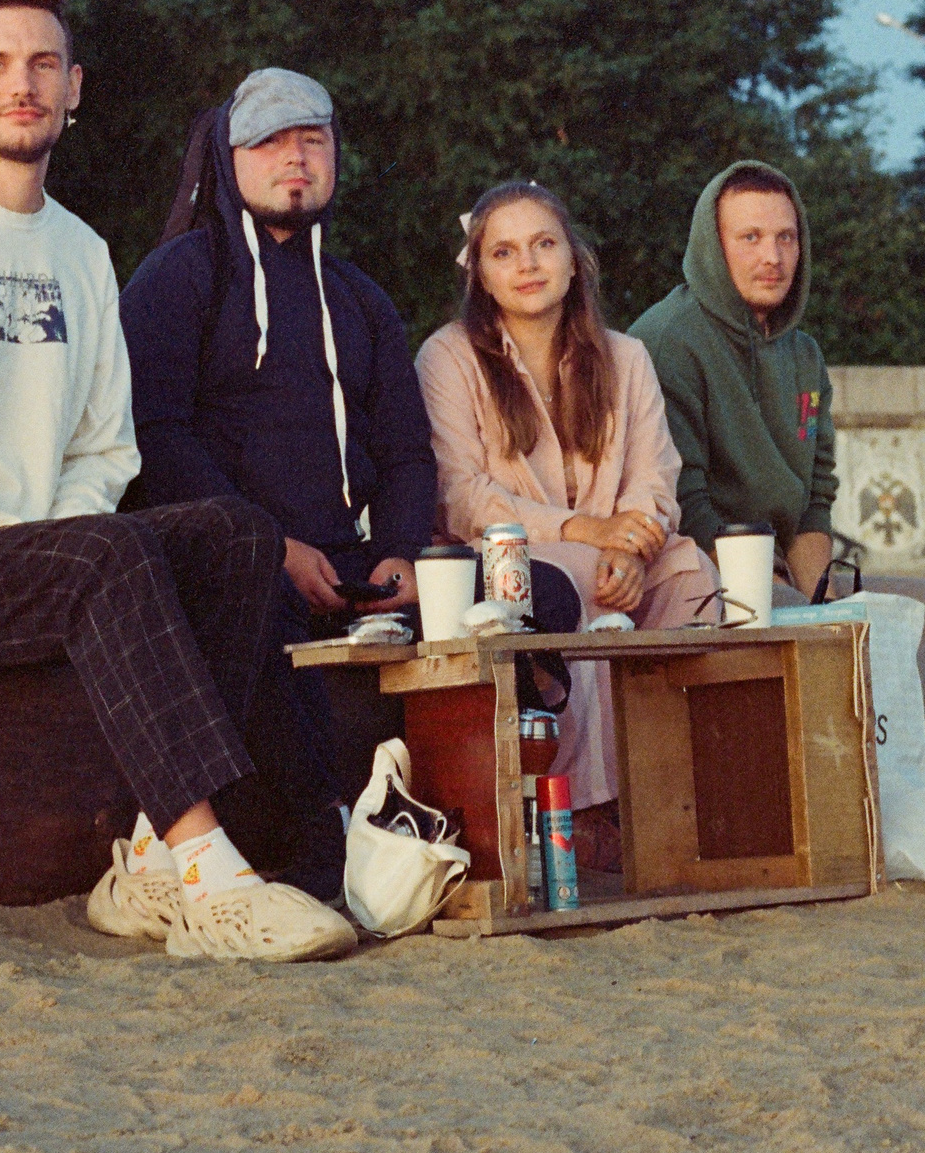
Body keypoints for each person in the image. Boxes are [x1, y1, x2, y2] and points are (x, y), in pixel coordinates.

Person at [0, 0, 356, 963]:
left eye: (43, 64)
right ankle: (215, 877)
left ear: (74, 89)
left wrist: (64, 539)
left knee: (236, 535)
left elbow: (104, 449)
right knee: (103, 557)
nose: (22, 83)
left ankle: (148, 862)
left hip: (38, 567)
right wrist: (48, 547)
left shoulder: (82, 252)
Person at [117, 72, 580, 815]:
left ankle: (479, 803)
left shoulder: (359, 299)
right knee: (256, 608)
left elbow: (403, 453)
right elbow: (154, 438)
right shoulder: (177, 278)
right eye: (269, 141)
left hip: (356, 570)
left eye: (312, 139)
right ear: (229, 157)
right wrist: (273, 547)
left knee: (541, 590)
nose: (294, 157)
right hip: (236, 565)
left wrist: (399, 554)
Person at [630, 160, 925, 772]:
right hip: (699, 570)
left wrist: (823, 600)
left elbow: (814, 497)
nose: (773, 256)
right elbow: (685, 502)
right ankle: (829, 792)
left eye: (786, 237)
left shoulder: (803, 353)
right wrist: (808, 614)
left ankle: (922, 778)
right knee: (805, 630)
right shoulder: (667, 341)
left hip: (786, 563)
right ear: (712, 245)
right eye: (750, 237)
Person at [416, 181, 720, 825]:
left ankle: (684, 798)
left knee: (694, 577)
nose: (527, 265)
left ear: (574, 258)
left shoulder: (626, 357)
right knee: (578, 579)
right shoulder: (448, 357)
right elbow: (462, 493)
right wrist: (589, 531)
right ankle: (586, 813)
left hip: (618, 553)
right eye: (504, 252)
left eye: (543, 244)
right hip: (501, 564)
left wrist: (635, 543)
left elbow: (656, 475)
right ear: (482, 276)